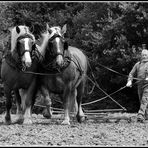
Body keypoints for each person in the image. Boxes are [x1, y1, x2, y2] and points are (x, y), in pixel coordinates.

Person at [126, 48, 148, 123]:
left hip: (147, 85)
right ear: (141, 56)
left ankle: (140, 115)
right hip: (139, 85)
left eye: (145, 55)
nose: (144, 56)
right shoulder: (137, 64)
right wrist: (129, 81)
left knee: (144, 100)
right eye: (143, 55)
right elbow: (131, 73)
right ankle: (146, 116)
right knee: (141, 100)